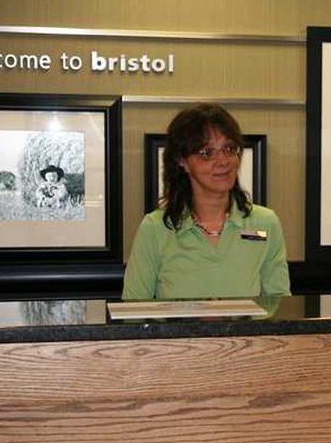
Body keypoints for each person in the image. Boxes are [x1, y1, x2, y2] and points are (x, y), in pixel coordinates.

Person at [123, 103, 291, 300]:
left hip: (248, 332)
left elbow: (279, 307)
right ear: (182, 161)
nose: (223, 161)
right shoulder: (156, 229)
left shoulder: (264, 224)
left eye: (229, 149)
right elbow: (133, 313)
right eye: (206, 153)